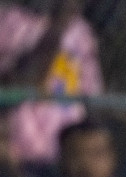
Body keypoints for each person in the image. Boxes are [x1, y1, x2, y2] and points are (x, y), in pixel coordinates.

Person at [0, 0, 102, 166]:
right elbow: (17, 83)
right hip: (18, 150)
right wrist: (58, 26)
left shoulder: (81, 31)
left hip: (65, 153)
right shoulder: (10, 20)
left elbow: (89, 92)